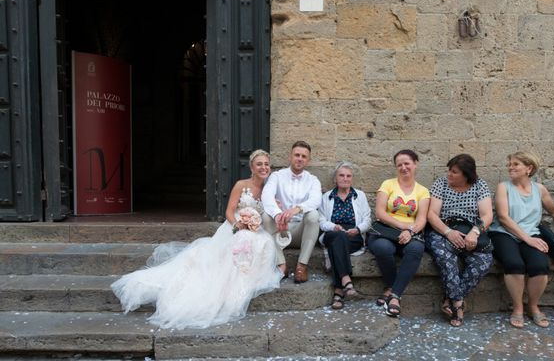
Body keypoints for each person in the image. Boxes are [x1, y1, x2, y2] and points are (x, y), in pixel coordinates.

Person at [110, 149, 282, 330]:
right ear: (252, 167)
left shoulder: (269, 188)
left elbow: (270, 211)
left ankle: (247, 278)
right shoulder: (241, 185)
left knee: (264, 243)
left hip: (255, 228)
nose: (264, 167)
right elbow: (229, 211)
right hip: (234, 226)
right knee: (241, 241)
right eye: (259, 164)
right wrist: (237, 225)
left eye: (266, 164)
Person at [488, 152, 554, 329]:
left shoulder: (539, 189)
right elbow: (503, 217)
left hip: (531, 233)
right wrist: (527, 239)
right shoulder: (503, 187)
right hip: (505, 233)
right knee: (513, 263)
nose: (510, 167)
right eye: (510, 164)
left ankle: (533, 306)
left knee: (540, 266)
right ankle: (518, 307)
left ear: (529, 168)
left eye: (516, 164)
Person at [427, 154, 493, 327]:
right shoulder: (441, 184)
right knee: (444, 256)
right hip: (443, 229)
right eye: (449, 170)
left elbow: (487, 215)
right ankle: (458, 304)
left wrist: (475, 232)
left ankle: (450, 297)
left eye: (454, 172)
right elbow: (432, 214)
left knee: (483, 262)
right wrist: (448, 232)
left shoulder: (480, 185)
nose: (449, 174)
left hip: (471, 230)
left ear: (466, 175)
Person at [367, 149, 430, 317]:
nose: (403, 167)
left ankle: (394, 295)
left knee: (416, 249)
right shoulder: (388, 184)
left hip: (411, 233)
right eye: (399, 165)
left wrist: (410, 231)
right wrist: (403, 226)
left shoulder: (423, 191)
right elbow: (380, 213)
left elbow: (422, 219)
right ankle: (394, 288)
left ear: (415, 164)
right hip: (385, 231)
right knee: (383, 248)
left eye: (407, 163)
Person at [261, 141, 322, 283]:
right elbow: (266, 196)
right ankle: (281, 264)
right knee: (266, 215)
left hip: (301, 232)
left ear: (308, 160)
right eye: (297, 155)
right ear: (290, 156)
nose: (300, 158)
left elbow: (316, 200)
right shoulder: (277, 176)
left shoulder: (313, 180)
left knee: (313, 215)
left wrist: (297, 209)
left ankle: (302, 266)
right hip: (279, 230)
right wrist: (278, 215)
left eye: (304, 156)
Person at [318, 161, 371, 310]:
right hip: (332, 232)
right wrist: (333, 226)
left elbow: (368, 219)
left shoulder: (359, 196)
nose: (345, 178)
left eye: (348, 176)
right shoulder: (326, 197)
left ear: (352, 178)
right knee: (338, 238)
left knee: (337, 247)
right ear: (335, 178)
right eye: (341, 175)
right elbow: (321, 220)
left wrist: (358, 229)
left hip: (354, 235)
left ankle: (339, 291)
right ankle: (347, 280)